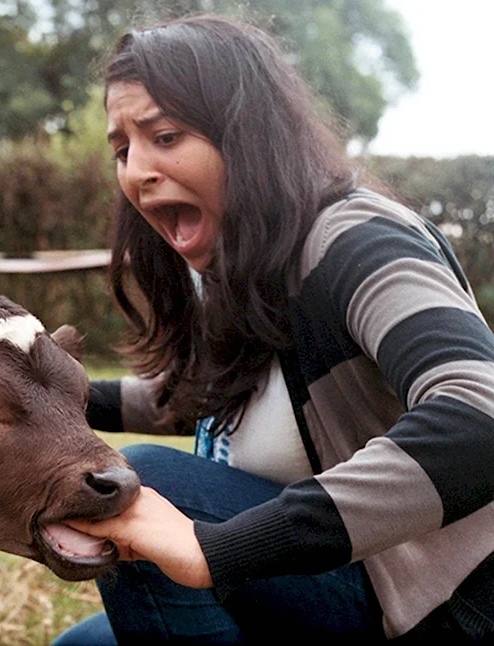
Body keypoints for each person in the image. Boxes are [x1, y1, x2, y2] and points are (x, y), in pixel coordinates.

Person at [54, 14, 494, 644]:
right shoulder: (249, 266)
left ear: (247, 135)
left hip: (438, 612)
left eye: (166, 135)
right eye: (123, 150)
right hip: (334, 580)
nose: (136, 172)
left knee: (148, 481)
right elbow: (206, 400)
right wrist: (43, 384)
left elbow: (481, 413)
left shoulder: (359, 239)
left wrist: (225, 548)